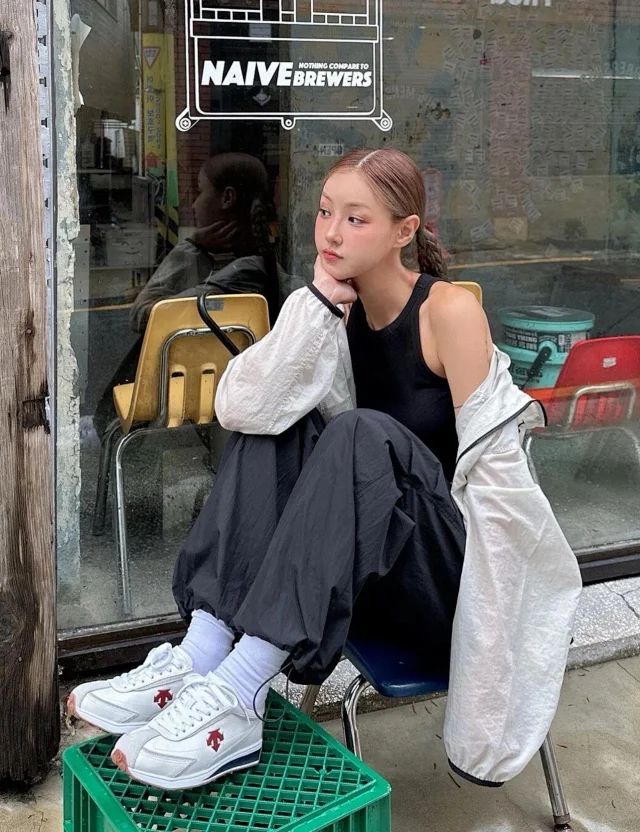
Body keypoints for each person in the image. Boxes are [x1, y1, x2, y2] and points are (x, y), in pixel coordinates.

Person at [68, 148, 581, 792]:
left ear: (404, 230)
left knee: (360, 433)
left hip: (447, 584)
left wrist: (501, 648)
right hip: (367, 575)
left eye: (357, 219)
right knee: (279, 420)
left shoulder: (448, 311)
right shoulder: (329, 310)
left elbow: (501, 486)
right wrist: (315, 305)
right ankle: (202, 653)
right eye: (324, 213)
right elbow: (239, 407)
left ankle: (244, 683)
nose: (332, 233)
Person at [93, 152, 284, 438]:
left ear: (227, 198)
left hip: (180, 401)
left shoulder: (239, 274)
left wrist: (192, 245)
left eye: (200, 191)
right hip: (243, 398)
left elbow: (143, 314)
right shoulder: (270, 268)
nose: (193, 204)